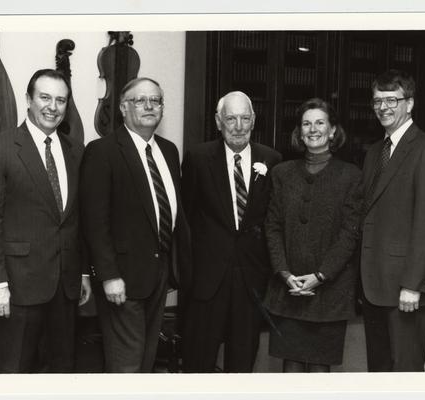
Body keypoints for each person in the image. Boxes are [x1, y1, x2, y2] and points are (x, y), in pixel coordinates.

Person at [0, 69, 91, 373]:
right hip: (17, 288)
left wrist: (82, 274)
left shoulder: (75, 150)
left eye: (61, 100)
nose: (53, 106)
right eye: (45, 97)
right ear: (28, 99)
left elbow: (76, 219)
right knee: (15, 372)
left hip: (65, 289)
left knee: (61, 372)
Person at [79, 77, 190, 373]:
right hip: (121, 279)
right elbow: (94, 221)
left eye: (156, 100)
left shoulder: (168, 151)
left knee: (146, 359)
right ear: (123, 108)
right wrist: (108, 275)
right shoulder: (102, 151)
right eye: (140, 100)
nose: (149, 106)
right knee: (126, 363)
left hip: (159, 275)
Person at [181, 91, 282, 373]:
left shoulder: (272, 160)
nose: (238, 126)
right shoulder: (198, 158)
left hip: (250, 280)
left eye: (244, 118)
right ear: (218, 121)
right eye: (231, 118)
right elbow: (186, 220)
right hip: (207, 280)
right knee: (198, 362)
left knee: (243, 361)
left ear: (253, 120)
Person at [263, 98, 362, 373]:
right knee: (290, 369)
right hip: (288, 289)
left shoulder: (351, 176)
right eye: (306, 123)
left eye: (320, 122)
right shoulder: (282, 173)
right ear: (299, 131)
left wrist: (320, 276)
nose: (313, 129)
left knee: (320, 371)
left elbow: (349, 235)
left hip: (330, 292)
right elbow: (272, 228)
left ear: (332, 131)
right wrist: (284, 273)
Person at [360, 69, 425, 372]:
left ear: (409, 104)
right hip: (374, 285)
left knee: (406, 372)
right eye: (377, 101)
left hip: (406, 290)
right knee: (380, 370)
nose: (383, 107)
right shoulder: (374, 152)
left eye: (391, 100)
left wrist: (412, 285)